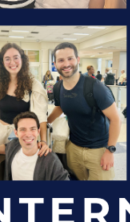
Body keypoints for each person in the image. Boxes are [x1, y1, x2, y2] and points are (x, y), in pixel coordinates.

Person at [48, 42, 120, 181]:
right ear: (55, 63)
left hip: (98, 150)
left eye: (70, 58)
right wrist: (44, 123)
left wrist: (110, 150)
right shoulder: (58, 88)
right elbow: (61, 106)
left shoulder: (95, 87)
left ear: (78, 60)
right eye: (61, 60)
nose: (66, 64)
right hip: (73, 148)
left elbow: (116, 119)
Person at [0, 112, 69, 181]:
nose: (28, 134)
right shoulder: (14, 146)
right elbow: (5, 148)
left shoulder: (50, 159)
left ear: (38, 131)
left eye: (32, 129)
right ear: (16, 133)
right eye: (23, 129)